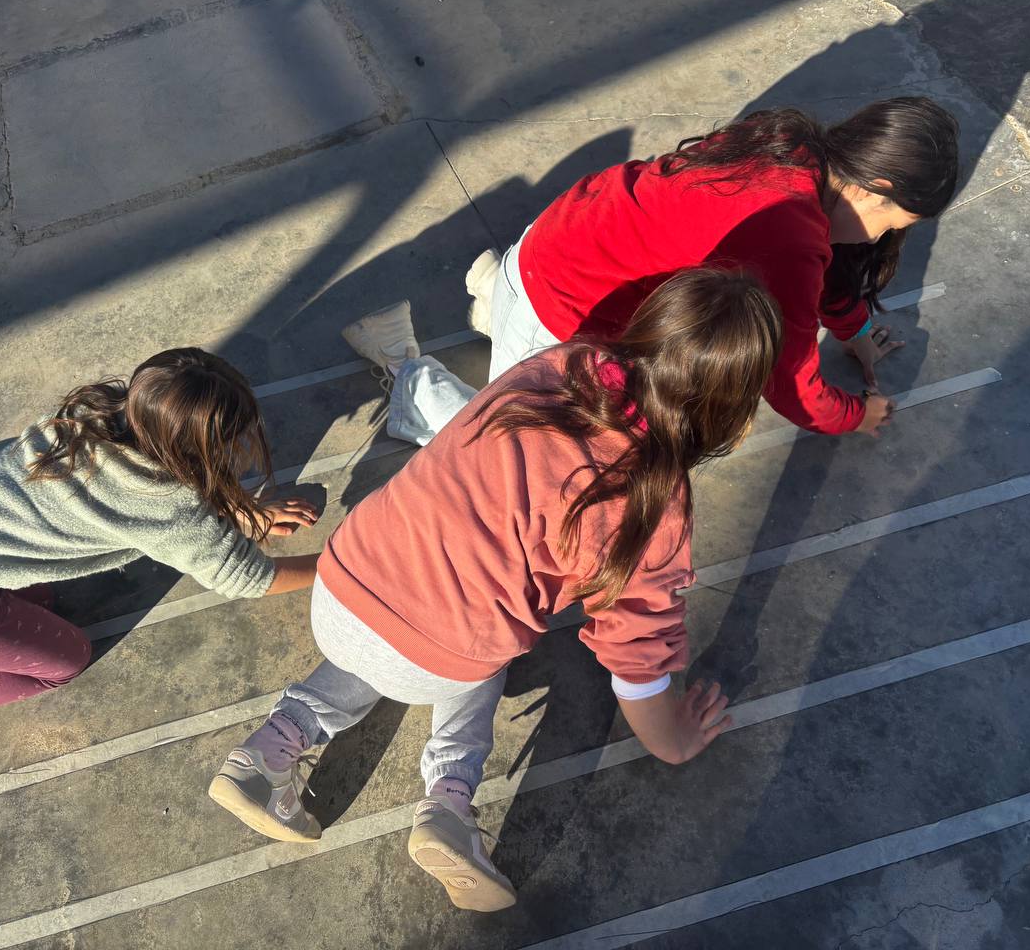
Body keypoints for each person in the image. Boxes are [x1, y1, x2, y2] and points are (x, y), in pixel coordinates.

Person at [210, 266, 782, 911]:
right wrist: (672, 741)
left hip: (346, 578)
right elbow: (638, 657)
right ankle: (449, 802)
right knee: (479, 639)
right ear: (733, 409)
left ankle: (275, 741)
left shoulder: (566, 364)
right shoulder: (654, 501)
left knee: (404, 621)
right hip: (438, 655)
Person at [340, 96, 959, 444]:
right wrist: (854, 414)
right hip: (562, 308)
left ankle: (498, 296)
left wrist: (853, 333)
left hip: (557, 245)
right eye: (895, 222)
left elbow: (821, 279)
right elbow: (793, 388)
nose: (887, 236)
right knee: (516, 455)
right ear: (874, 187)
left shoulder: (794, 146)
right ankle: (408, 375)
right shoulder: (793, 232)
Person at [0, 348, 320, 779]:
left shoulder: (93, 412)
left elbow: (124, 493)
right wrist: (341, 563)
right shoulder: (166, 508)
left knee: (40, 600)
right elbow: (248, 579)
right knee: (64, 660)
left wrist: (236, 514)